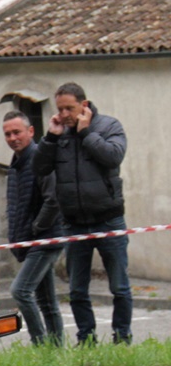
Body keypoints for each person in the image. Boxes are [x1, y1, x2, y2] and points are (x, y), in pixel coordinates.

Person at [34, 82, 132, 345]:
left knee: (120, 288)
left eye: (69, 108)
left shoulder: (109, 126)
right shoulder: (59, 135)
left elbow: (113, 157)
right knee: (77, 290)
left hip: (109, 219)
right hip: (74, 224)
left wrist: (87, 133)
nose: (64, 114)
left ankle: (122, 339)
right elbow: (40, 168)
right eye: (60, 109)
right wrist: (52, 137)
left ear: (84, 105)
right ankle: (86, 339)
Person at [3, 112, 64, 346]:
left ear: (30, 132)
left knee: (20, 291)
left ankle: (40, 344)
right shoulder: (16, 164)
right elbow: (15, 205)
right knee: (47, 300)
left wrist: (37, 227)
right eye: (7, 134)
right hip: (29, 240)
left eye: (17, 132)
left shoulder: (40, 157)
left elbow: (53, 200)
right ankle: (57, 351)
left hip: (45, 238)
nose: (12, 138)